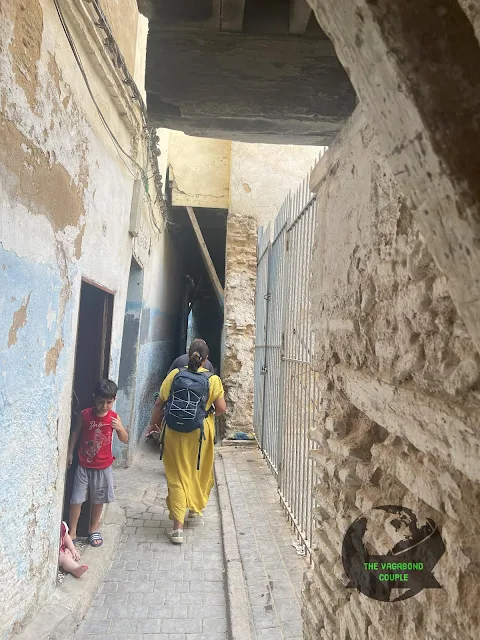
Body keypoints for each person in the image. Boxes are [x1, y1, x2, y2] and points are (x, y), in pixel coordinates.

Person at [148, 340, 226, 544]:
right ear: (206, 359)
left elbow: (159, 402)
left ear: (188, 354)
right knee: (198, 470)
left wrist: (152, 425)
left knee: (176, 475)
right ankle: (193, 509)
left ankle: (177, 529)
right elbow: (221, 409)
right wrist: (207, 412)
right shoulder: (214, 380)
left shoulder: (175, 375)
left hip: (173, 431)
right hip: (200, 433)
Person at [67, 379, 128, 547]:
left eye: (109, 402)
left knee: (98, 500)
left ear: (114, 399)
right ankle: (72, 532)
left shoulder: (114, 418)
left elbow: (125, 439)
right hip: (84, 465)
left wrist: (120, 428)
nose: (105, 406)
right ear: (94, 398)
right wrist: (70, 453)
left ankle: (93, 529)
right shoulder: (85, 414)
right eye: (101, 402)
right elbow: (76, 433)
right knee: (76, 499)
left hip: (103, 467)